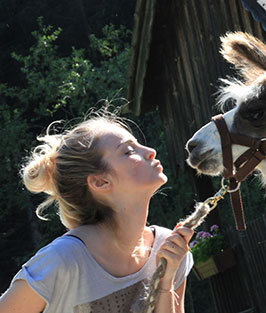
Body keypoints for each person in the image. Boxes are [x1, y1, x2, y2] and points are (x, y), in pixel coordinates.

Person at [0, 108, 194, 313]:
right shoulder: (63, 261)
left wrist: (165, 283)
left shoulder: (168, 250)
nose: (149, 151)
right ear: (100, 182)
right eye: (128, 151)